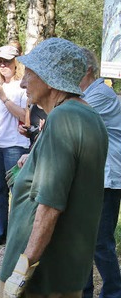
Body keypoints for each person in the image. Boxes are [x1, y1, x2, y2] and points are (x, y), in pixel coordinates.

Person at [0, 37, 108, 297]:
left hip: (43, 277)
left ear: (50, 78)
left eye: (30, 74)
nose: (23, 83)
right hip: (65, 273)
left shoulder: (63, 117)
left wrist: (22, 270)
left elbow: (50, 204)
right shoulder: (87, 115)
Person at [80, 48, 121, 298]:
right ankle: (83, 292)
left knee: (99, 241)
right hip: (92, 175)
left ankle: (114, 292)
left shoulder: (100, 94)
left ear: (86, 70)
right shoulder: (86, 93)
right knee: (83, 238)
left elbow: (71, 118)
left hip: (108, 176)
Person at [0, 45, 29, 248]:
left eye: (7, 61)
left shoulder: (22, 86)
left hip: (15, 146)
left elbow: (24, 116)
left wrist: (3, 98)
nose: (2, 65)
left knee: (16, 190)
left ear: (16, 63)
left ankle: (17, 235)